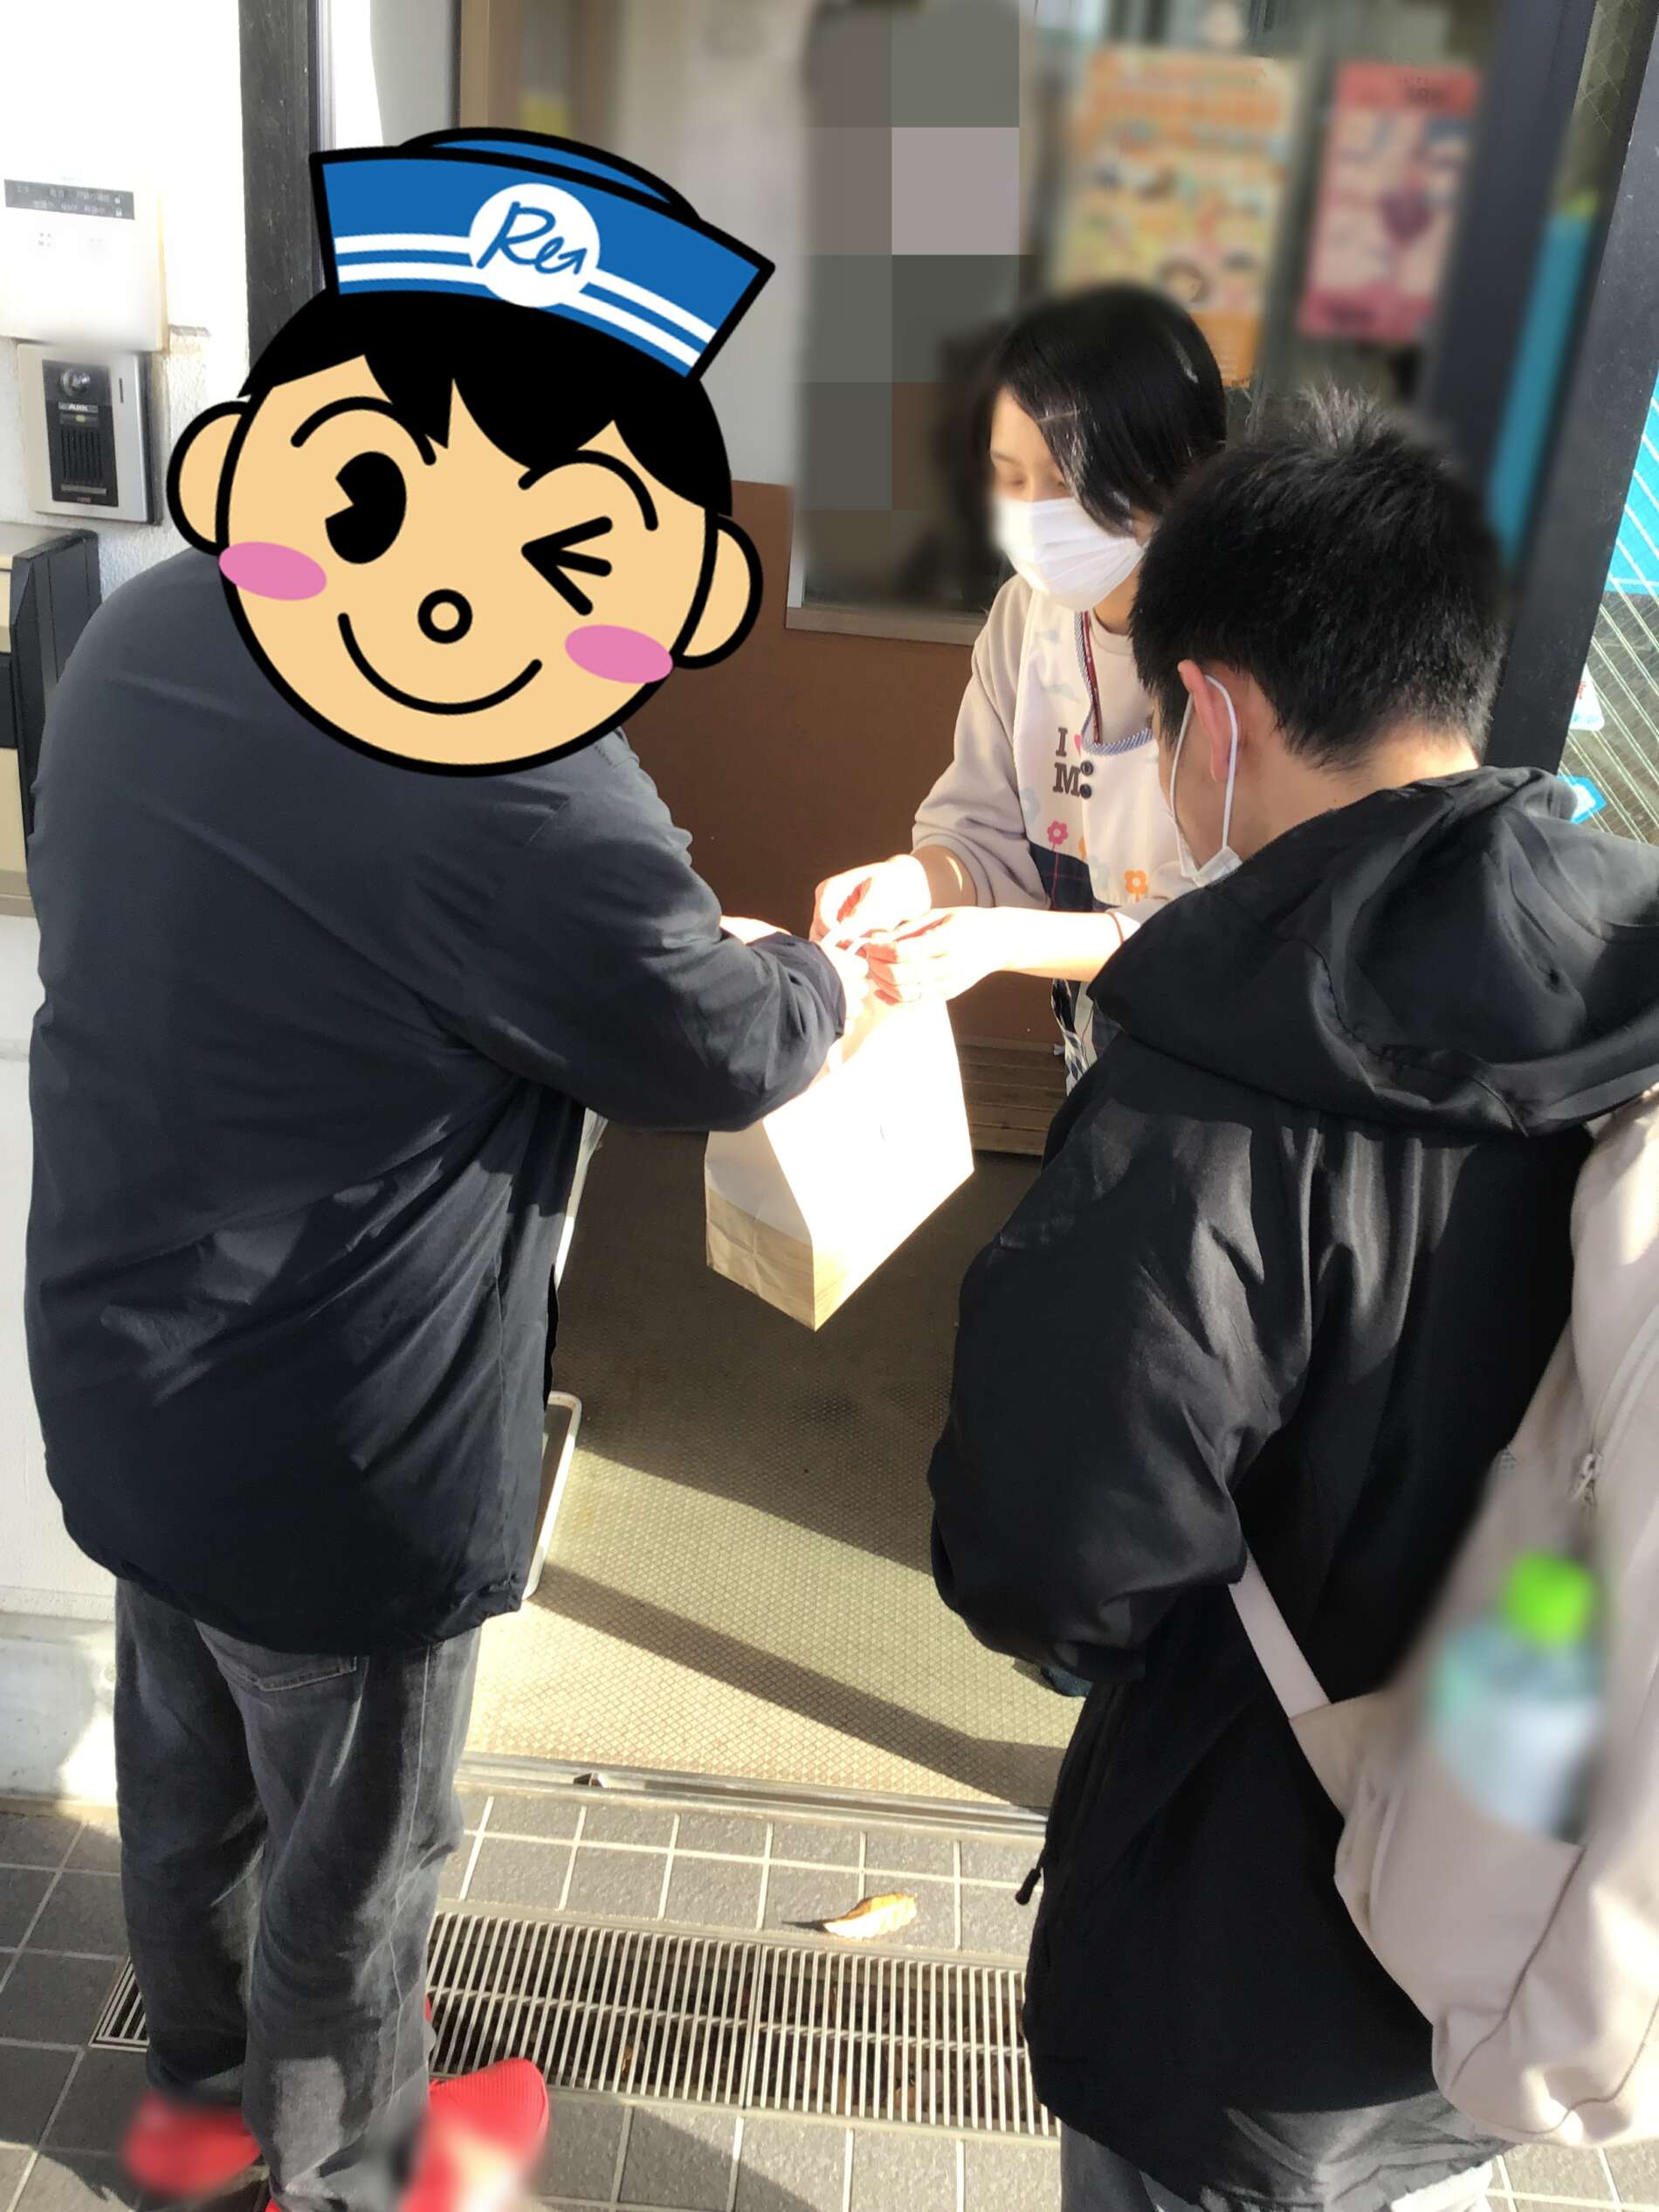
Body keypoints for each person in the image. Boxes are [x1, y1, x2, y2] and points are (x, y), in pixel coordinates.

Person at [25, 132, 859, 2212]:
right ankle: (347, 2164)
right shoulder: (516, 775)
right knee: (360, 1852)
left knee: (188, 1781)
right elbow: (718, 1040)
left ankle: (197, 2111)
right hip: (343, 1447)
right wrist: (829, 966)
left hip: (122, 1368)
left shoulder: (137, 634)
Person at [926, 389, 1659, 2212]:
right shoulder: (1631, 961)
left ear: (1216, 711)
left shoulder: (1203, 1082)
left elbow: (1054, 1558)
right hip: (1532, 1885)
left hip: (1245, 1943)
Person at [812, 284, 1225, 1698]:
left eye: (1065, 480)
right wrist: (915, 880)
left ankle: (1154, 1657)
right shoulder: (1027, 619)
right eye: (1005, 474)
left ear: (1170, 470)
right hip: (1095, 1043)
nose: (1030, 513)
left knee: (1171, 1354)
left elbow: (1230, 924)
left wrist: (1000, 940)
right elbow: (981, 822)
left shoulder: (1242, 649)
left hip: (1223, 1073)